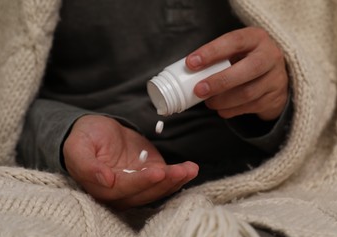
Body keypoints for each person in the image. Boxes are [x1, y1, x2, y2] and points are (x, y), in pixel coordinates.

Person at [16, 0, 291, 209]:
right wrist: (62, 132)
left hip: (258, 174)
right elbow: (8, 96)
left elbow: (326, 80)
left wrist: (280, 97)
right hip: (75, 171)